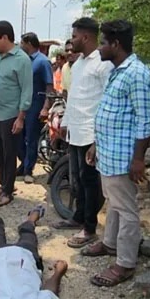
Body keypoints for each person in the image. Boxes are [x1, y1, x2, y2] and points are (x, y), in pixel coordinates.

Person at [85, 20, 150, 287]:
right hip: (109, 152)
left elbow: (146, 119)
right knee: (114, 203)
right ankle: (110, 243)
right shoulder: (118, 71)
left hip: (124, 157)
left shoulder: (137, 74)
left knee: (126, 210)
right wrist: (96, 145)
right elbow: (111, 115)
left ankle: (125, 263)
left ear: (116, 44)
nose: (100, 48)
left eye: (103, 43)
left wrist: (138, 159)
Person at [51, 18, 113, 249]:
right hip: (75, 132)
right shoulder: (78, 65)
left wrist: (98, 138)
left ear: (86, 37)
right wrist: (65, 123)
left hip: (90, 134)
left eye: (75, 36)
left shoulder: (102, 64)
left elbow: (107, 101)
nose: (72, 40)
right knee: (76, 180)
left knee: (89, 183)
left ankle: (89, 228)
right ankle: (77, 218)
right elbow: (74, 98)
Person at [0, 21, 33, 207]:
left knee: (9, 153)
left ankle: (8, 192)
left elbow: (26, 90)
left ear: (5, 37)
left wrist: (21, 118)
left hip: (11, 115)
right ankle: (4, 184)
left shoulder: (22, 59)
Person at [18, 32, 54, 184]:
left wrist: (45, 108)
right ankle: (24, 163)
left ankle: (28, 170)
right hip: (22, 105)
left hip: (36, 105)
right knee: (18, 137)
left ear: (29, 43)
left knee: (31, 138)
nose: (20, 46)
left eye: (22, 43)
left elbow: (49, 87)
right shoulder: (24, 60)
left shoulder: (43, 61)